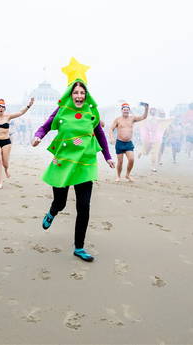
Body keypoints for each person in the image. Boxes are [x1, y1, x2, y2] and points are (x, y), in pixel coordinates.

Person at [32, 58, 114, 262]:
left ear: (86, 95)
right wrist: (38, 136)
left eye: (82, 92)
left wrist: (108, 156)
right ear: (70, 94)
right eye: (75, 92)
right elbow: (46, 125)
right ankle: (52, 211)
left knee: (84, 207)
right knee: (60, 202)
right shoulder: (62, 111)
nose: (79, 95)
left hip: (84, 165)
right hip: (63, 163)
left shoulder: (90, 112)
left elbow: (100, 135)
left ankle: (79, 247)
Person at [109, 102, 148, 181]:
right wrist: (111, 138)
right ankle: (118, 176)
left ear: (129, 111)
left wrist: (146, 108)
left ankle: (127, 175)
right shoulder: (118, 119)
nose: (126, 111)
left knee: (131, 159)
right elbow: (111, 129)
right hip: (120, 142)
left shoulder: (132, 118)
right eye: (124, 110)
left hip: (128, 143)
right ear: (122, 110)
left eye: (127, 110)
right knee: (120, 162)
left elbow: (143, 117)